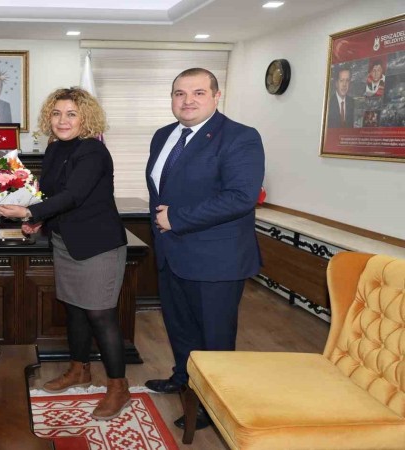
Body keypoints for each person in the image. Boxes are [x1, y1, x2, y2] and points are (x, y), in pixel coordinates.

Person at [0, 87, 130, 420]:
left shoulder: (93, 151)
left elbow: (74, 195)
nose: (62, 120)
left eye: (71, 114)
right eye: (56, 113)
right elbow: (50, 194)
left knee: (100, 315)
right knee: (75, 310)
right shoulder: (54, 149)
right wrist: (39, 220)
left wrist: (28, 213)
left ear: (86, 118)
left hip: (98, 246)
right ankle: (79, 370)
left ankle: (118, 386)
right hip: (66, 242)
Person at [143, 68, 265, 430]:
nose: (187, 101)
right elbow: (161, 191)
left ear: (216, 95)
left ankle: (212, 405)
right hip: (172, 254)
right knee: (180, 328)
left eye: (198, 92)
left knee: (214, 338)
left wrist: (176, 218)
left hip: (216, 260)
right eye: (179, 93)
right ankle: (184, 378)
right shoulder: (163, 135)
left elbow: (240, 197)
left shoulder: (240, 137)